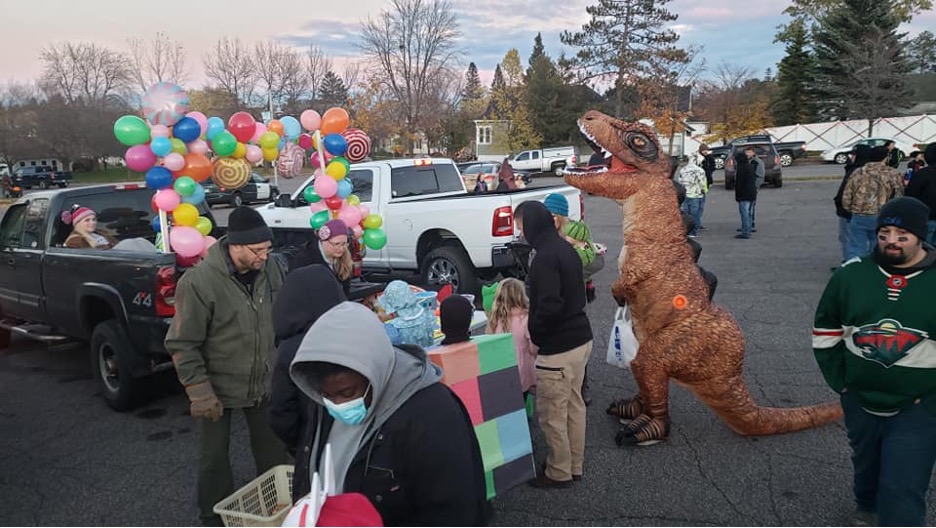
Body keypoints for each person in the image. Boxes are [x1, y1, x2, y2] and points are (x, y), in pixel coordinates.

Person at [289, 302, 487, 526]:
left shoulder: (433, 414)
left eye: (347, 393)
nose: (337, 405)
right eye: (328, 395)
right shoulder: (321, 402)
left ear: (375, 371)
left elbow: (454, 512)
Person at [812, 196, 936, 527]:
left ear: (921, 236)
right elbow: (826, 329)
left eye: (902, 235)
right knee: (866, 464)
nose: (891, 242)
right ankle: (867, 508)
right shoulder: (851, 275)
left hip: (920, 405)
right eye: (884, 234)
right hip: (861, 398)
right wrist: (844, 384)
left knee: (902, 484)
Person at [165, 206, 288, 526]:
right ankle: (213, 518)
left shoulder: (272, 269)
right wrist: (199, 392)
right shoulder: (199, 283)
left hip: (263, 379)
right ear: (235, 246)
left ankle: (276, 510)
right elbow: (182, 343)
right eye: (258, 250)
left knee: (274, 450)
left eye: (268, 248)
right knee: (214, 459)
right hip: (217, 386)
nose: (265, 255)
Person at [515, 200, 593, 489]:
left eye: (521, 227)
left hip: (558, 348)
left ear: (532, 224)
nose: (521, 234)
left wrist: (535, 332)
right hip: (581, 339)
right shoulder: (564, 248)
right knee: (574, 406)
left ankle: (558, 471)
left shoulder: (545, 257)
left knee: (552, 414)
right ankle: (575, 465)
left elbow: (547, 306)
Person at [269, 264, 347, 501]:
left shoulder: (290, 349)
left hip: (313, 448)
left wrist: (302, 443)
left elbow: (281, 413)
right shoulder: (351, 334)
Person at [842, 146, 905, 260]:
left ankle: (853, 270)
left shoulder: (859, 172)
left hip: (859, 214)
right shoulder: (892, 173)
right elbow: (899, 195)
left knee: (856, 247)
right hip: (881, 214)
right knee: (878, 246)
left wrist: (849, 209)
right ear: (886, 157)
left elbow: (847, 193)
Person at [486, 278, 537, 398]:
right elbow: (534, 347)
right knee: (522, 399)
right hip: (522, 370)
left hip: (501, 369)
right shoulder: (525, 319)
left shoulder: (495, 320)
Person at [281, 219, 352, 296]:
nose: (341, 248)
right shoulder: (303, 260)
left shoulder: (344, 258)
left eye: (344, 243)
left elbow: (345, 290)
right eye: (336, 244)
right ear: (323, 241)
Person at [833, 145, 872, 266]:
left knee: (851, 240)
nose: (851, 157)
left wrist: (840, 204)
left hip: (851, 212)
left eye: (854, 154)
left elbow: (846, 193)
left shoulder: (855, 171)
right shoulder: (868, 170)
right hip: (868, 212)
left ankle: (850, 264)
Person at [904, 143, 936, 244]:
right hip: (927, 217)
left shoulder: (922, 174)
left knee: (925, 249)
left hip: (926, 217)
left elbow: (910, 196)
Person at [675, 154, 707, 238]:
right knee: (694, 214)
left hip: (685, 194)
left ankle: (685, 231)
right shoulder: (700, 170)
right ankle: (692, 232)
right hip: (696, 194)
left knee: (685, 213)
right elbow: (702, 183)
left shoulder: (683, 169)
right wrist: (704, 190)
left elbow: (680, 181)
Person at [733, 147, 759, 239]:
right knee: (749, 213)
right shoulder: (751, 167)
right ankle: (748, 230)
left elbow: (739, 184)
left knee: (744, 214)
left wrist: (737, 196)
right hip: (752, 193)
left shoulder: (741, 169)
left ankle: (745, 232)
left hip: (744, 195)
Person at [698, 145, 717, 230]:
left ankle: (698, 223)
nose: (705, 152)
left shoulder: (709, 158)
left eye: (706, 150)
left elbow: (713, 167)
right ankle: (696, 223)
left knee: (701, 205)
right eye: (703, 150)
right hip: (699, 183)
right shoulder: (699, 159)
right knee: (699, 205)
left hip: (706, 182)